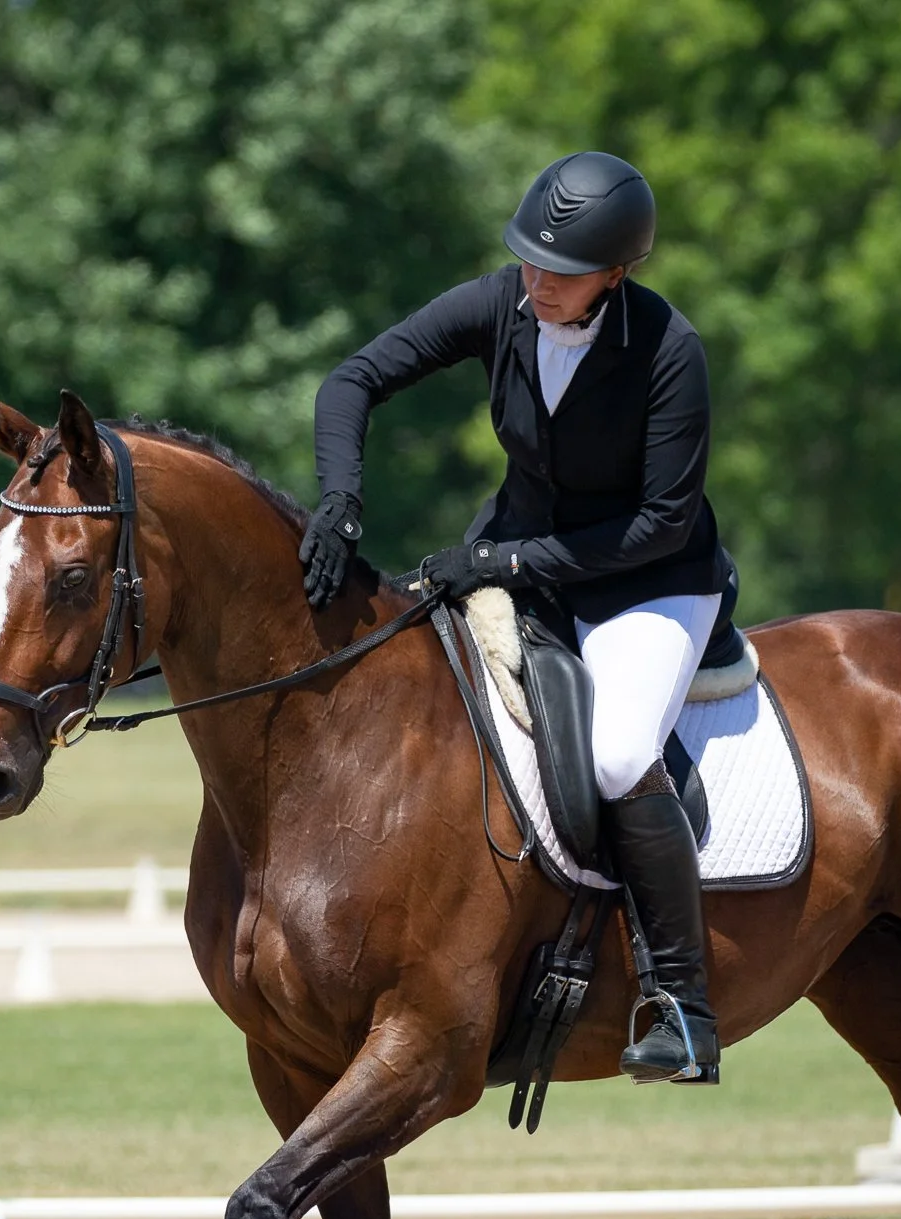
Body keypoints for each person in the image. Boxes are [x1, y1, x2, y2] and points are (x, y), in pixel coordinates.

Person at [299, 151, 734, 1085]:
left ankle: (683, 1006)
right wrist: (340, 499)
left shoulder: (669, 352)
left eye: (561, 271)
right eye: (528, 260)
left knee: (618, 754)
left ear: (616, 274)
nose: (537, 282)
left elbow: (658, 526)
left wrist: (497, 559)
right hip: (524, 564)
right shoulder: (504, 303)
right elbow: (352, 382)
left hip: (648, 584)